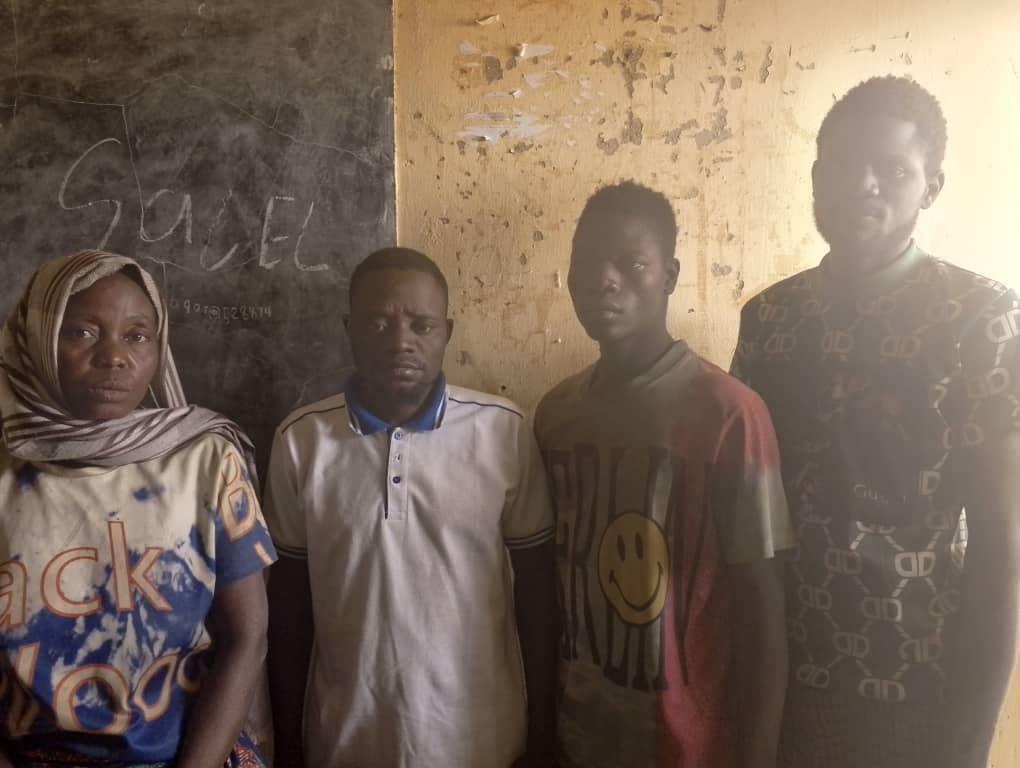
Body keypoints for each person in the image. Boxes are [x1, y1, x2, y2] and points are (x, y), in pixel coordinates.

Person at [731, 75, 1020, 768]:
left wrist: (967, 747)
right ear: (815, 177)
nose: (862, 185)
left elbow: (1002, 549)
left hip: (920, 691)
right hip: (786, 680)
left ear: (932, 186)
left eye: (892, 170)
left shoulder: (982, 321)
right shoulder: (770, 320)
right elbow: (748, 523)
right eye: (841, 165)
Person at [264, 247, 558, 768]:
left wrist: (541, 737)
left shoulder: (503, 432)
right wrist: (287, 742)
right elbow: (287, 606)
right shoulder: (301, 442)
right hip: (345, 743)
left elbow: (537, 595)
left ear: (448, 332)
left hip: (483, 742)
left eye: (422, 325)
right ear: (349, 330)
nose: (401, 341)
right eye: (378, 323)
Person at [535, 181, 795, 768]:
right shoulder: (556, 415)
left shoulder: (729, 413)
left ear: (671, 275)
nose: (604, 280)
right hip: (581, 736)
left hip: (689, 747)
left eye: (631, 263)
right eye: (587, 263)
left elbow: (762, 607)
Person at [0, 250, 276, 768]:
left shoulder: (205, 461)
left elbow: (247, 637)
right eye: (82, 332)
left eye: (137, 335)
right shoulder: (7, 473)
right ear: (36, 338)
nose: (114, 356)